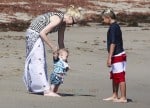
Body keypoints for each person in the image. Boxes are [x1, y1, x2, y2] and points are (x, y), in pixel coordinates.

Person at [23, 5, 82, 96]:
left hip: (36, 35)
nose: (72, 25)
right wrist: (53, 47)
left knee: (38, 61)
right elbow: (42, 33)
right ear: (70, 17)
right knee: (39, 61)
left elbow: (61, 42)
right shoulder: (58, 19)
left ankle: (36, 87)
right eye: (73, 22)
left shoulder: (62, 24)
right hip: (34, 34)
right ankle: (46, 91)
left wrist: (63, 58)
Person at [101, 8, 127, 103]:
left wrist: (109, 57)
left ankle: (123, 97)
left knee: (120, 76)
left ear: (108, 17)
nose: (103, 21)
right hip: (118, 54)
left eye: (104, 19)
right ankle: (115, 95)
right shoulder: (115, 26)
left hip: (117, 55)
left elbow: (113, 43)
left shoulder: (113, 27)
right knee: (114, 75)